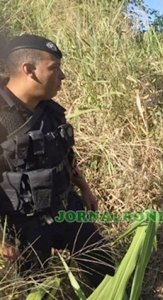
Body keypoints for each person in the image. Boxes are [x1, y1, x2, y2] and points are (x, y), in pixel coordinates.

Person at [0, 34, 114, 288]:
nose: (62, 76)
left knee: (105, 267)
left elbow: (65, 155)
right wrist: (2, 239)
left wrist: (83, 187)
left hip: (66, 207)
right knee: (37, 286)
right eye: (54, 68)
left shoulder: (51, 110)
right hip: (23, 224)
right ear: (28, 70)